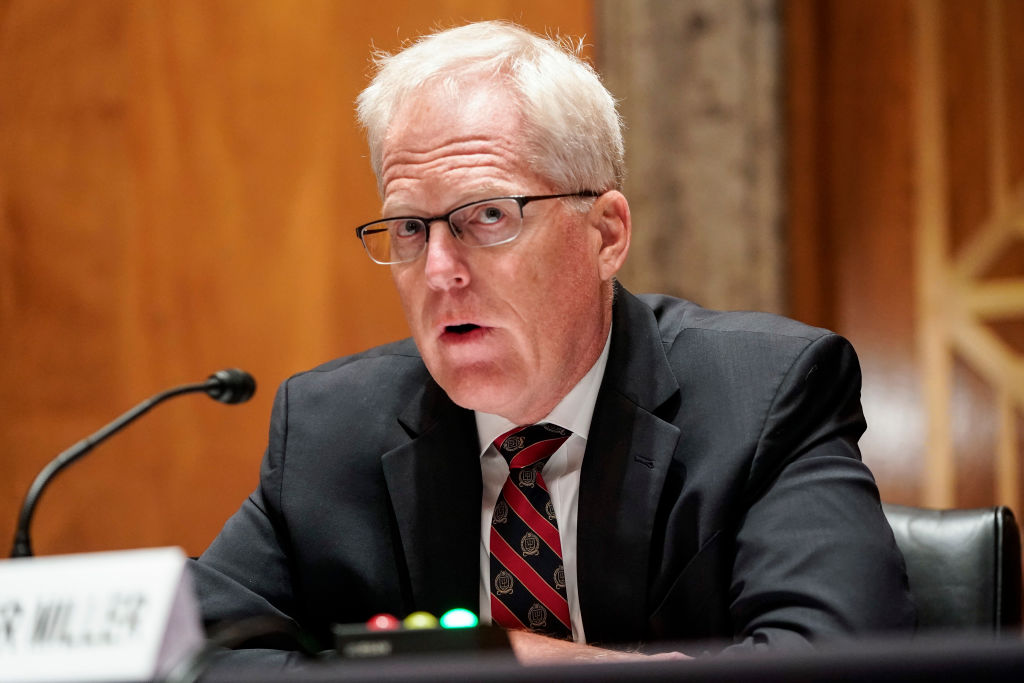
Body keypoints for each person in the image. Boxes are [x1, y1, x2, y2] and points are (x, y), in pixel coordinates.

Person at [191, 20, 914, 664]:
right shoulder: (327, 429)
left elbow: (840, 660)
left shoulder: (764, 397)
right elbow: (192, 657)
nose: (440, 270)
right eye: (411, 227)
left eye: (488, 215)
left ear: (605, 234)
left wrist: (523, 664)